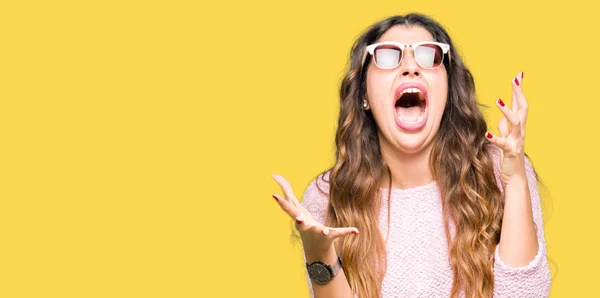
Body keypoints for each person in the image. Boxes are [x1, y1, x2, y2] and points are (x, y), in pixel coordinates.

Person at [271, 13, 551, 298]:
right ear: (364, 96)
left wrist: (515, 180)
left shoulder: (500, 169)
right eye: (388, 56)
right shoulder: (330, 195)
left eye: (429, 56)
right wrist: (320, 255)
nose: (410, 67)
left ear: (448, 89)